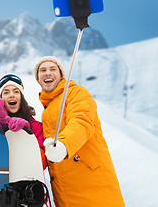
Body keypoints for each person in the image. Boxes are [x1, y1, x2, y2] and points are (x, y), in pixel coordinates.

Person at [35, 56, 125, 207]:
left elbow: (82, 122)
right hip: (66, 194)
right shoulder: (47, 110)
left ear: (62, 75)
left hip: (92, 186)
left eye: (52, 69)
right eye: (42, 70)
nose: (47, 73)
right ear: (38, 79)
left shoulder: (76, 93)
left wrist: (64, 144)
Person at [0, 73, 47, 169]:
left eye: (16, 92)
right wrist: (3, 123)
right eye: (6, 92)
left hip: (28, 181)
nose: (11, 95)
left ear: (21, 97)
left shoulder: (36, 127)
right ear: (1, 100)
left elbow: (41, 163)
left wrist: (26, 134)